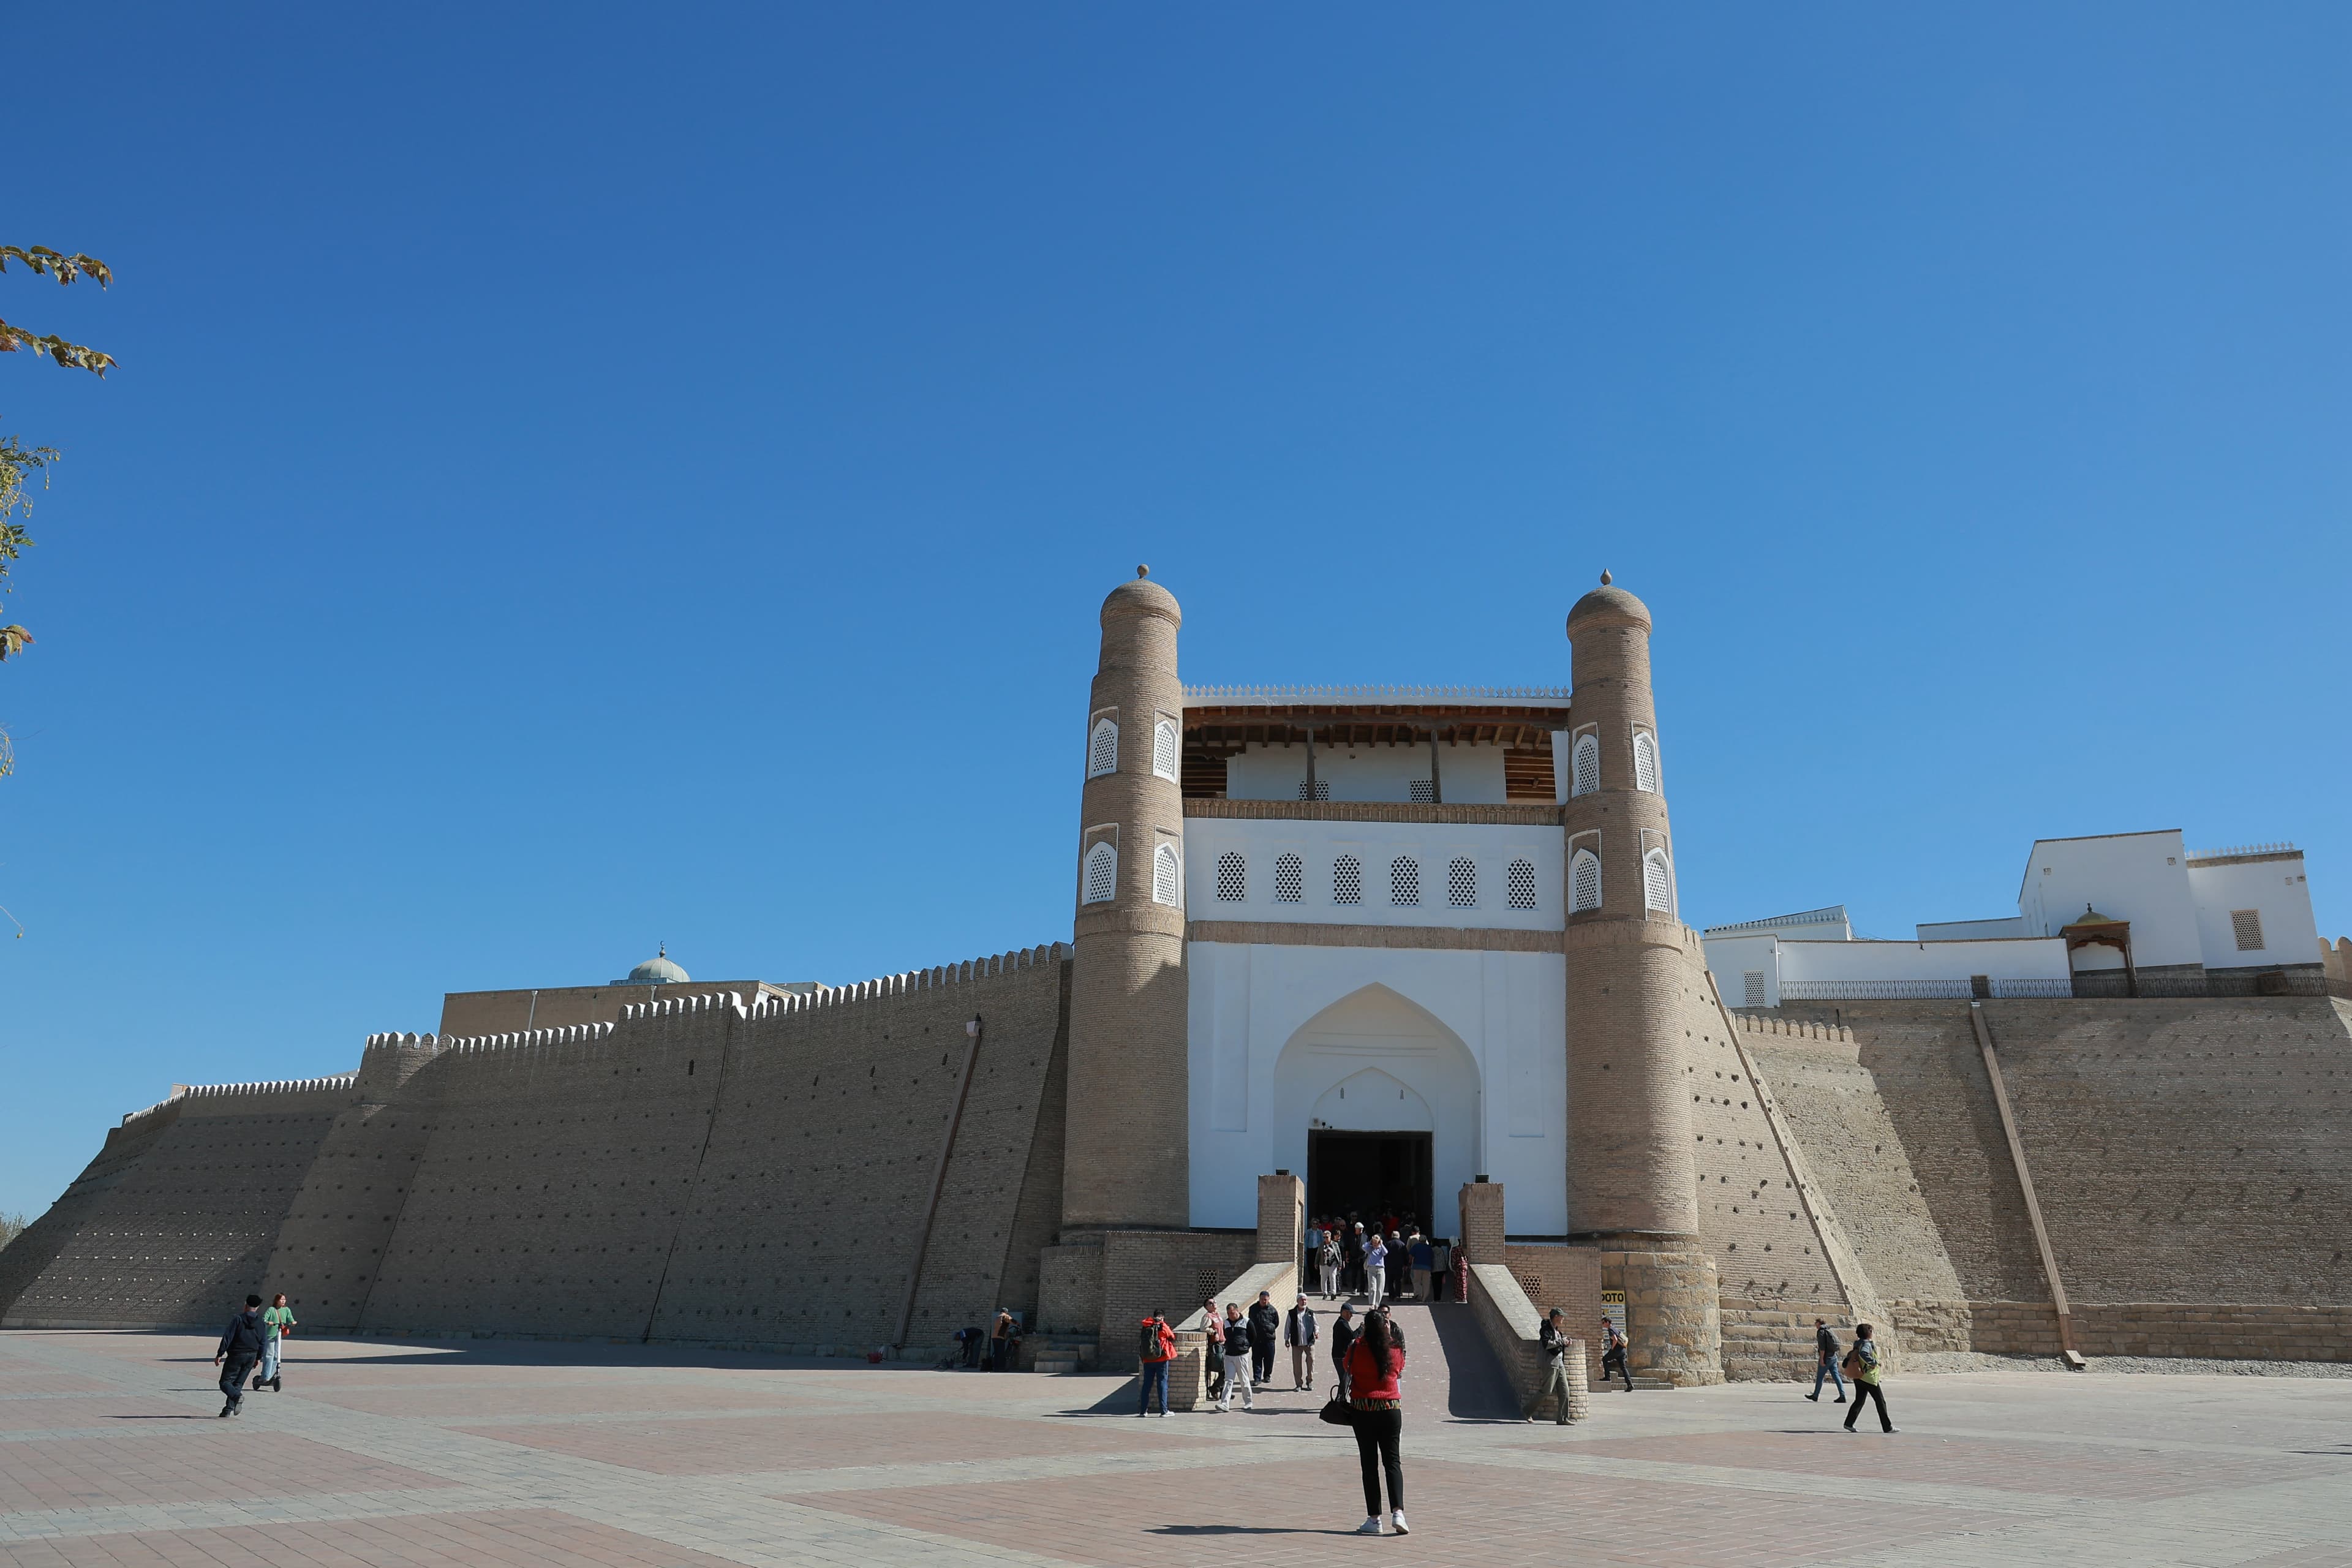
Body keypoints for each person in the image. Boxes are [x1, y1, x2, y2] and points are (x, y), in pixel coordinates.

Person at [1344, 1304, 1409, 1535]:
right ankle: (1399, 1512)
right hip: (1391, 1409)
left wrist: (1361, 1338)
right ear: (1385, 1327)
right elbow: (1399, 1370)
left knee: (1369, 1465)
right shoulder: (1395, 1349)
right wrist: (1389, 1336)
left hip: (1363, 1410)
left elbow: (1347, 1367)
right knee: (1392, 1462)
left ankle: (1374, 1519)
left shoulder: (1356, 1348)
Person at [212, 1294, 268, 1417]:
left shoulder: (238, 1319)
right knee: (238, 1384)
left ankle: (237, 1397)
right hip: (252, 1355)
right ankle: (227, 1410)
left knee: (225, 1382)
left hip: (237, 1354)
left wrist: (220, 1353)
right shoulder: (261, 1322)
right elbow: (263, 1341)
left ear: (246, 1305)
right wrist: (259, 1357)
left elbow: (228, 1337)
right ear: (257, 1307)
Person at [1526, 1308, 1577, 1423]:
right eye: (1561, 1316)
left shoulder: (1558, 1331)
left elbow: (1558, 1346)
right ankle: (1527, 1411)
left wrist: (1566, 1344)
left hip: (1560, 1364)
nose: (1563, 1318)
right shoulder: (1546, 1330)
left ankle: (1562, 1418)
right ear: (1556, 1317)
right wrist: (1561, 1342)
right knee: (1547, 1390)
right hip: (1550, 1364)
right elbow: (1547, 1344)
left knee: (1565, 1391)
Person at [1841, 1324, 1895, 1433]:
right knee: (1880, 1402)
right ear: (1869, 1332)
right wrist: (1874, 1362)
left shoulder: (1858, 1344)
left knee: (1859, 1401)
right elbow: (1864, 1354)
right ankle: (1887, 1427)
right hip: (1868, 1377)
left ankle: (1849, 1423)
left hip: (1859, 1376)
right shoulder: (1866, 1344)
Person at [1136, 1310, 1176, 1417]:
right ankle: (1164, 1411)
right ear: (1162, 1317)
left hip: (1148, 1359)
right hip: (1161, 1359)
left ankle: (1143, 1411)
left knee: (1146, 1385)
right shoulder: (1162, 1326)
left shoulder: (1146, 1326)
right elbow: (1172, 1337)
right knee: (1162, 1384)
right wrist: (1164, 1324)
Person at [254, 1292, 295, 1393]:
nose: (283, 1301)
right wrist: (269, 1322)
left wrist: (293, 1322)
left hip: (279, 1335)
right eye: (281, 1299)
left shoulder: (286, 1310)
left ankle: (271, 1375)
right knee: (269, 1355)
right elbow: (264, 1319)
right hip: (270, 1335)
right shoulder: (271, 1310)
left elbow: (291, 1319)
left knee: (277, 1356)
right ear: (277, 1300)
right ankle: (265, 1376)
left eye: (284, 1299)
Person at [1217, 1303, 1254, 1412]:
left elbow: (1253, 1336)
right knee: (1228, 1380)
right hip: (1229, 1355)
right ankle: (1225, 1403)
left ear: (1237, 1311)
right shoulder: (1226, 1323)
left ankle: (1248, 1402)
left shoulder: (1247, 1322)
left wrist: (1246, 1346)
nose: (1231, 1315)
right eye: (1229, 1313)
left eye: (1232, 1313)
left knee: (1244, 1379)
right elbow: (1224, 1335)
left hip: (1242, 1355)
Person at [1806, 1317, 1847, 1404]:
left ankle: (1815, 1395)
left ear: (1819, 1323)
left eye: (1816, 1323)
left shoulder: (1821, 1332)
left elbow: (1822, 1348)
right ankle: (1842, 1395)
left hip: (1826, 1358)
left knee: (1820, 1377)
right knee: (1836, 1377)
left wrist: (1822, 1359)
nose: (1815, 1325)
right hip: (1833, 1357)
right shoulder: (1829, 1330)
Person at [1284, 1292, 1319, 1391]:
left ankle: (1310, 1381)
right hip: (1296, 1343)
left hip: (1309, 1343)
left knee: (1311, 1362)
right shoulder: (1292, 1313)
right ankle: (1299, 1384)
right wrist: (1286, 1339)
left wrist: (1316, 1332)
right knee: (1297, 1364)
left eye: (1305, 1300)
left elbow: (1316, 1325)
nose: (1304, 1302)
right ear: (1297, 1301)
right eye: (1302, 1300)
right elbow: (1288, 1327)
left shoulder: (1311, 1313)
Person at [1248, 1290, 1281, 1387]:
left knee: (1269, 1359)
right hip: (1257, 1339)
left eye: (1265, 1300)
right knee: (1256, 1359)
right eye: (1262, 1299)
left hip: (1269, 1339)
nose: (1264, 1301)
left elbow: (1277, 1322)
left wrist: (1270, 1327)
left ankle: (1267, 1376)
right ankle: (1257, 1378)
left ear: (1269, 1299)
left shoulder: (1272, 1310)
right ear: (1259, 1299)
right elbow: (1251, 1322)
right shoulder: (1253, 1309)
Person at [1330, 1302, 1359, 1399]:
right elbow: (1352, 1336)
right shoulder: (1342, 1324)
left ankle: (1340, 1399)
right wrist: (1360, 1329)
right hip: (1340, 1356)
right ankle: (1340, 1400)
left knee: (1345, 1379)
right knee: (1345, 1379)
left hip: (1341, 1355)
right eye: (1350, 1313)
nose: (1351, 1316)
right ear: (1344, 1313)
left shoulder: (1343, 1323)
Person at [1201, 1297, 1224, 1403]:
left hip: (1223, 1344)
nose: (1214, 1304)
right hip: (1216, 1347)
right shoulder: (1208, 1316)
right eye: (1210, 1303)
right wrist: (1213, 1333)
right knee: (1223, 1370)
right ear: (1206, 1307)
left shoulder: (1218, 1315)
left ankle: (1222, 1391)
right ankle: (1216, 1388)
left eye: (1214, 1302)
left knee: (1226, 1369)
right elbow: (1203, 1328)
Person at [1599, 1316, 1632, 1391]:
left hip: (1617, 1350)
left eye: (1603, 1323)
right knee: (1623, 1368)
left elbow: (1615, 1339)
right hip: (1623, 1350)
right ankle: (1630, 1385)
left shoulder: (1611, 1329)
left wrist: (1612, 1348)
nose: (1603, 1325)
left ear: (1607, 1322)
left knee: (1605, 1359)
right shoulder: (1615, 1328)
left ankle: (1607, 1377)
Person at [1364, 1233, 1389, 1310]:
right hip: (1371, 1269)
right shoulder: (1370, 1248)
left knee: (1380, 1288)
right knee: (1372, 1287)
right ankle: (1372, 1304)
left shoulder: (1381, 1249)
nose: (1374, 1244)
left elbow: (1386, 1252)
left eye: (1376, 1243)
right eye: (1373, 1242)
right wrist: (1370, 1242)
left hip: (1380, 1269)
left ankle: (1377, 1305)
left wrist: (1381, 1244)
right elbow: (1364, 1247)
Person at [1409, 1234, 1434, 1304]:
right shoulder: (1429, 1248)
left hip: (1417, 1266)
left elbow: (1411, 1255)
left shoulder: (1416, 1246)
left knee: (1417, 1281)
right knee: (1426, 1283)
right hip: (1427, 1267)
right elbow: (1432, 1257)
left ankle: (1419, 1294)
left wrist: (1410, 1262)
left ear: (1419, 1240)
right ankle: (1424, 1297)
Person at [1317, 1230, 1342, 1299]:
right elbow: (1318, 1254)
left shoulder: (1335, 1244)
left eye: (1327, 1237)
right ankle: (1325, 1293)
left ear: (1330, 1237)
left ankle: (1333, 1293)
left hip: (1333, 1264)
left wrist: (1340, 1264)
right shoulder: (1322, 1244)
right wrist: (1316, 1262)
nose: (1325, 1239)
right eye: (1324, 1237)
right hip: (1323, 1263)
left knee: (1333, 1278)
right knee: (1323, 1279)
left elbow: (1339, 1254)